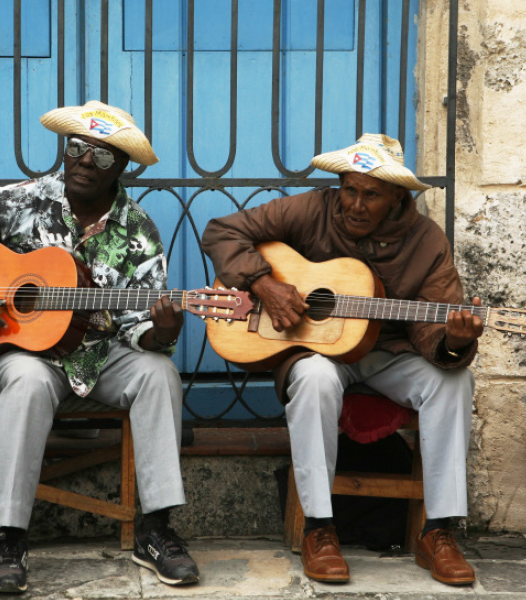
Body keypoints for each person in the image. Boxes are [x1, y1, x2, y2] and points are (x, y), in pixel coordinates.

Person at [0, 101, 199, 594]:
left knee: (159, 373)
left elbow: (136, 330)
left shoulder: (140, 232)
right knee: (24, 381)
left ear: (122, 168)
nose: (85, 161)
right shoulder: (16, 201)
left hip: (101, 355)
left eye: (103, 156)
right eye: (77, 148)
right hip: (28, 355)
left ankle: (156, 531)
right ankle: (10, 538)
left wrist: (164, 332)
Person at [201, 134, 482, 586]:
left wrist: (453, 341)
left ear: (396, 197)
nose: (354, 204)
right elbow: (223, 231)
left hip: (390, 353)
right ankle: (319, 528)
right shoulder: (314, 208)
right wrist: (264, 283)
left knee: (453, 382)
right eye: (349, 189)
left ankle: (439, 531)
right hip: (320, 352)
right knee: (313, 378)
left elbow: (432, 329)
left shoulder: (427, 241)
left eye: (370, 194)